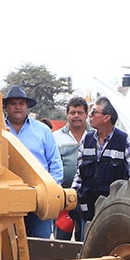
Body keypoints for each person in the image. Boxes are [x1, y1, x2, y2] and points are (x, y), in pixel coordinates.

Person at [73, 96, 130, 229]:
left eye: (94, 112)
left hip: (113, 212)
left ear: (106, 117)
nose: (90, 115)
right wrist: (73, 196)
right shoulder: (87, 139)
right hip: (87, 209)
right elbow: (79, 174)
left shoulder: (125, 141)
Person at [2, 85, 63, 238]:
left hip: (39, 200)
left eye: (21, 103)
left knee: (39, 246)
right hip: (7, 201)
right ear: (6, 107)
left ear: (27, 106)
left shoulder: (43, 131)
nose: (17, 107)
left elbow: (55, 164)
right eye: (13, 103)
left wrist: (49, 190)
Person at [54, 97, 90, 239]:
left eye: (80, 112)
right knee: (61, 241)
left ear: (86, 114)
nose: (76, 116)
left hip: (86, 197)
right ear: (67, 114)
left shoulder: (95, 135)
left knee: (85, 239)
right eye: (72, 112)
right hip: (63, 198)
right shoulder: (55, 137)